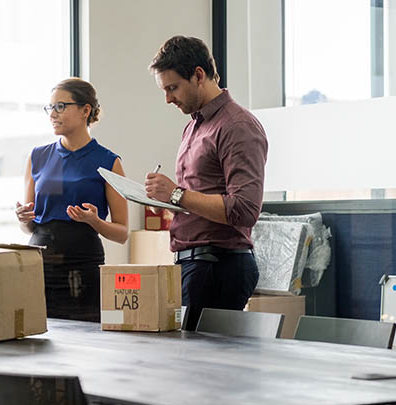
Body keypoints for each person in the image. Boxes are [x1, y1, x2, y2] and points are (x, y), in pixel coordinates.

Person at [144, 36, 268, 331]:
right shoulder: (195, 125)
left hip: (217, 266)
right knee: (189, 367)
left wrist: (175, 194)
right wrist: (166, 196)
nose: (168, 99)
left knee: (203, 371)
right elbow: (195, 198)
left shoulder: (237, 127)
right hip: (195, 265)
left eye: (173, 88)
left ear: (199, 75)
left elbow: (244, 209)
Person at [16, 78, 128, 322]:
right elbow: (29, 226)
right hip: (40, 263)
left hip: (83, 265)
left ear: (85, 110)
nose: (53, 114)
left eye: (61, 107)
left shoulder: (108, 162)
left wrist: (95, 221)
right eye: (50, 108)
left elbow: (122, 233)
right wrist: (23, 219)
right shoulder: (38, 157)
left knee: (85, 343)